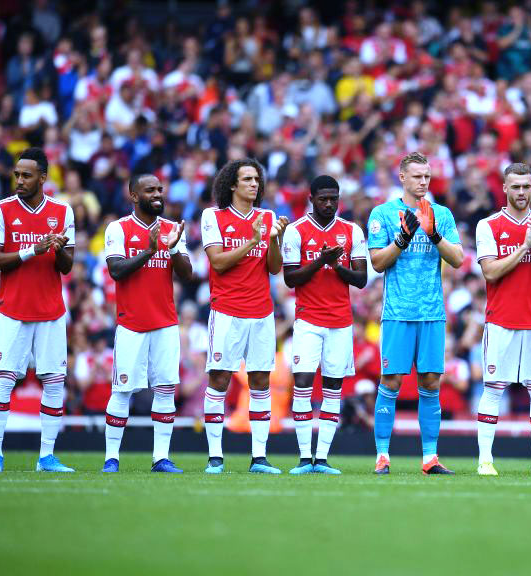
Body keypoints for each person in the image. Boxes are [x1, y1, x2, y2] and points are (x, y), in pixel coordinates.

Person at [367, 151, 464, 475]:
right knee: (391, 380)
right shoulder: (383, 213)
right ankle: (382, 456)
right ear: (402, 178)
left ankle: (430, 458)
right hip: (397, 310)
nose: (423, 182)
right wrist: (402, 238)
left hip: (432, 311)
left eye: (427, 176)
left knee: (431, 381)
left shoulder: (441, 214)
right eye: (417, 176)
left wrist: (433, 233)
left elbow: (458, 259)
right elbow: (377, 262)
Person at [0, 148, 75, 473]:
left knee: (54, 382)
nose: (19, 180)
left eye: (26, 175)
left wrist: (58, 249)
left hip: (51, 311)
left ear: (43, 178)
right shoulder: (1, 210)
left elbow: (67, 266)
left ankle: (46, 457)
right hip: (14, 309)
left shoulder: (62, 211)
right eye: (17, 175)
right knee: (4, 380)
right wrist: (31, 250)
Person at [200, 158, 289, 474]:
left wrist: (274, 239)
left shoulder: (268, 217)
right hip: (226, 311)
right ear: (232, 185)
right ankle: (215, 456)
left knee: (261, 380)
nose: (254, 184)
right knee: (220, 378)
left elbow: (274, 268)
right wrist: (253, 240)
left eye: (257, 179)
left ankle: (259, 458)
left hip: (261, 311)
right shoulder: (213, 216)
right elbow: (218, 262)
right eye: (248, 179)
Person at [474, 163, 531, 477]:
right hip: (501, 319)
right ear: (505, 188)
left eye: (526, 186)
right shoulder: (488, 225)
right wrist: (525, 245)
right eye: (516, 186)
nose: (522, 192)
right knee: (493, 388)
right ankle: (485, 460)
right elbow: (490, 272)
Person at [101, 174, 192, 473]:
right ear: (133, 195)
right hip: (131, 323)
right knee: (122, 390)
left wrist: (174, 248)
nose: (157, 194)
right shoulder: (118, 228)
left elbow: (187, 274)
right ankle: (111, 458)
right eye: (149, 190)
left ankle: (160, 458)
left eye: (159, 189)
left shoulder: (172, 228)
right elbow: (116, 270)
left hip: (165, 322)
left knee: (165, 389)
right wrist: (150, 251)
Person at [282, 175, 367, 475]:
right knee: (303, 384)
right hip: (308, 320)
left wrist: (336, 265)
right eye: (323, 199)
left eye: (334, 198)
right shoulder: (295, 231)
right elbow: (290, 278)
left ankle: (322, 459)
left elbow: (361, 280)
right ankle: (304, 458)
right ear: (311, 199)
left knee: (333, 388)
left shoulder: (351, 230)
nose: (329, 204)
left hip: (340, 322)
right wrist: (321, 261)